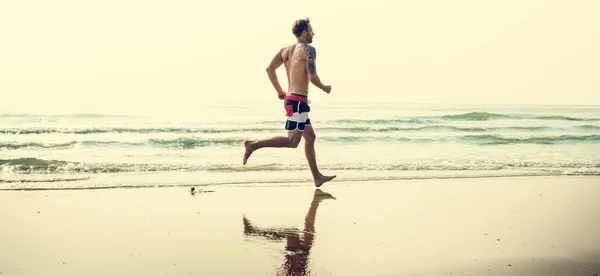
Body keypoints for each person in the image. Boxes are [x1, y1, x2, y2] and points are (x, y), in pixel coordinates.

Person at [242, 18, 336, 188]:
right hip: (298, 102)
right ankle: (253, 145)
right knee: (293, 142)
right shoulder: (309, 50)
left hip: (294, 100)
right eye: (311, 30)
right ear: (305, 33)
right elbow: (311, 76)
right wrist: (324, 87)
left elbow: (270, 69)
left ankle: (317, 177)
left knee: (310, 137)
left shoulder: (285, 51)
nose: (313, 33)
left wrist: (280, 92)